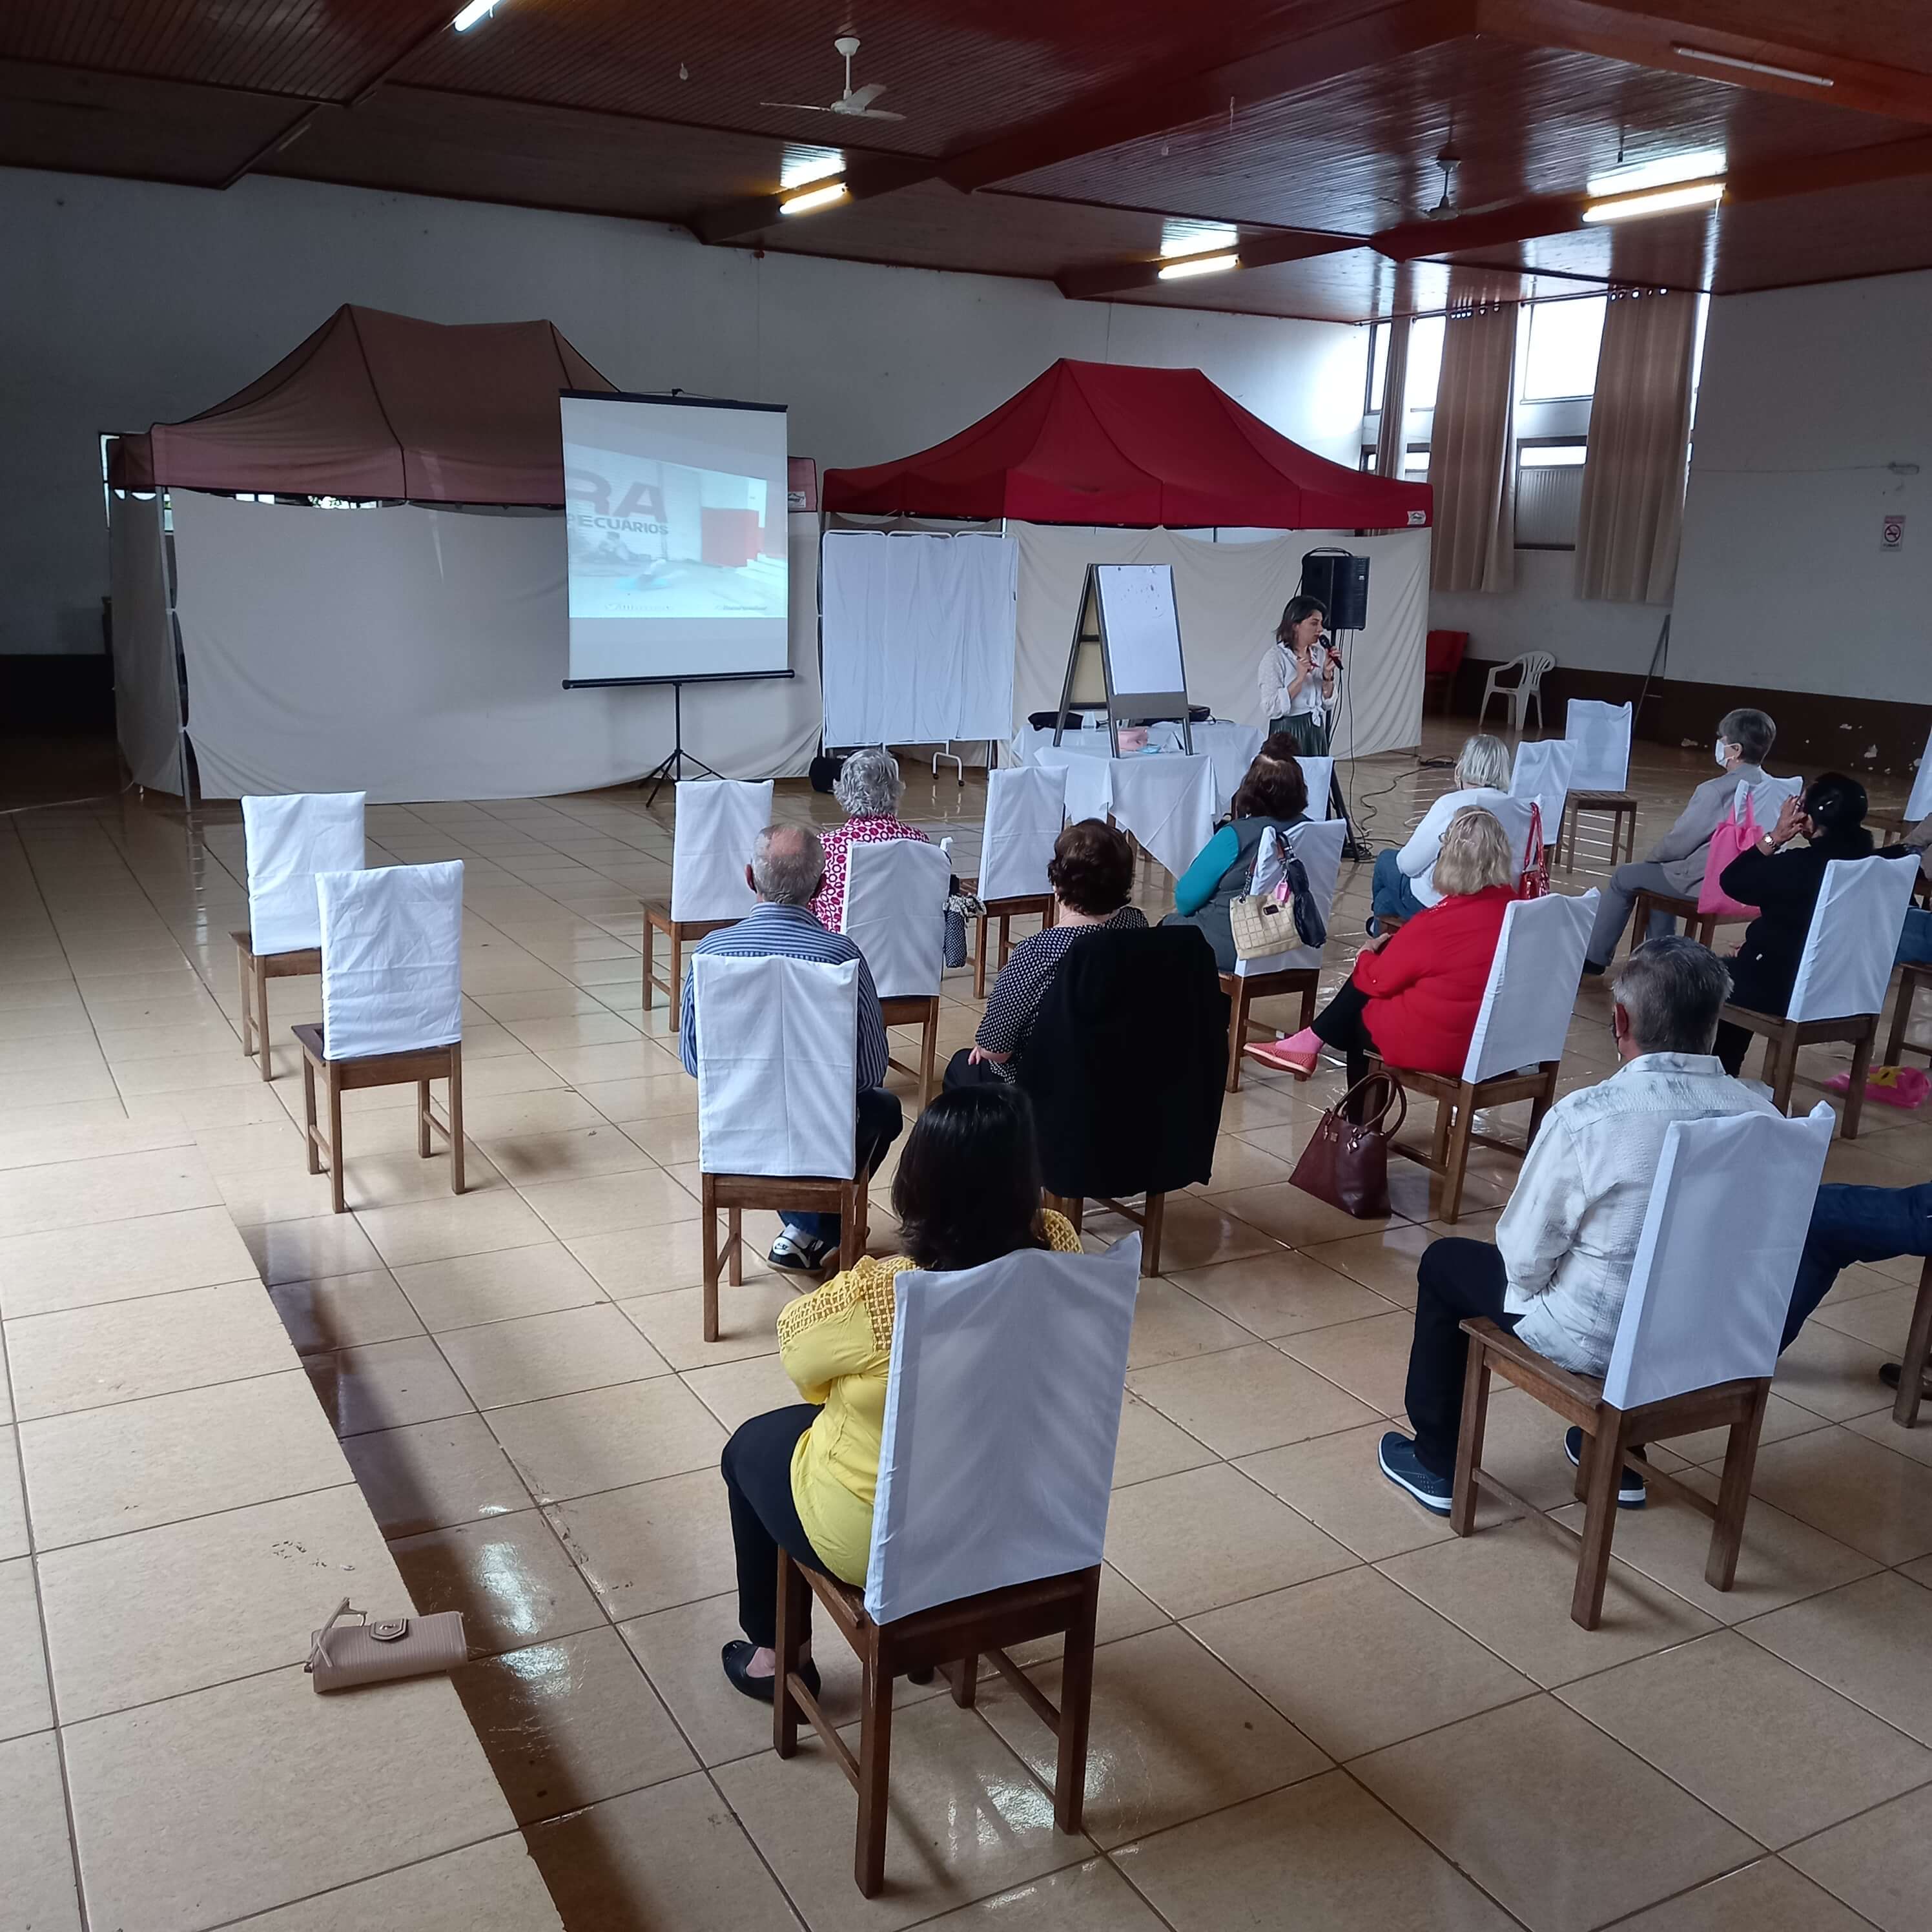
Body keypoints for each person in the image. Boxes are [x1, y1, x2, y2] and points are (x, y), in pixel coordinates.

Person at [1377, 936, 1780, 1516]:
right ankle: (1619, 1459)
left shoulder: (1594, 1118)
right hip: (1703, 1341)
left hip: (1596, 1340)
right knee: (1659, 1277)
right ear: (1714, 1022)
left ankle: (1438, 1460)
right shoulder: (1763, 1117)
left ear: (1621, 1020)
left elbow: (1521, 1259)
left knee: (1445, 1265)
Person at [717, 1086, 1082, 1701]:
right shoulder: (1062, 1250)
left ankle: (779, 1660)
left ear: (918, 1182)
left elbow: (798, 1358)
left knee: (749, 1450)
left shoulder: (885, 1294)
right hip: (1019, 1523)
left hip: (894, 1544)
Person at [679, 823, 901, 1273]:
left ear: (749, 877)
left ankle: (804, 1230)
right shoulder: (842, 956)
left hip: (737, 1135)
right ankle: (814, 1225)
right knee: (885, 1107)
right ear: (821, 886)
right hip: (821, 1137)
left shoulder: (710, 953)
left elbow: (694, 1059)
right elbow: (871, 1070)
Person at [1260, 805, 1517, 1097]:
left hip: (1452, 1047)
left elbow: (1377, 981)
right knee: (1391, 968)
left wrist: (1367, 955)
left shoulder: (1436, 924)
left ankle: (1358, 1130)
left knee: (1363, 1021)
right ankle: (1311, 1041)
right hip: (1498, 1044)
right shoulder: (1517, 911)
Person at [944, 819, 1146, 1089]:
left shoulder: (1038, 953)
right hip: (1118, 1077)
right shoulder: (1136, 925)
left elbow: (995, 1050)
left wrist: (984, 1050)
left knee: (962, 1067)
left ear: (1057, 884)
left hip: (1043, 1090)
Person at [1583, 708, 1779, 972]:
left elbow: (1679, 842)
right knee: (1655, 877)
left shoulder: (1715, 791)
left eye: (1722, 739)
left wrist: (1652, 857)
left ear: (1735, 749)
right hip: (1750, 885)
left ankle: (1595, 959)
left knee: (1627, 876)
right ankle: (1662, 960)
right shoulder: (1774, 787)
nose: (1718, 744)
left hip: (1706, 882)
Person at [1711, 772, 1875, 1077]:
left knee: (1708, 976)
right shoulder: (1877, 867)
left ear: (1808, 820)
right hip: (1846, 992)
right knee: (1750, 964)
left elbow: (1732, 881)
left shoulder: (1800, 866)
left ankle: (1719, 1076)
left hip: (1788, 990)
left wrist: (1776, 835)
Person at [1164, 747, 1310, 972]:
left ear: (1250, 788)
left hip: (1234, 944)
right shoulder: (1310, 830)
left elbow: (1185, 899)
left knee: (1164, 931)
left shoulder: (1235, 836)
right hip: (1293, 940)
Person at [1373, 734, 1515, 929]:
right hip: (1491, 904)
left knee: (1385, 862)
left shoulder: (1451, 805)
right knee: (1385, 898)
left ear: (1464, 764)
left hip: (1440, 902)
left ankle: (1380, 941)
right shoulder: (1518, 808)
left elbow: (1408, 865)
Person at [809, 745, 930, 931]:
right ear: (895, 789)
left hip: (842, 954)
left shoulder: (826, 848)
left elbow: (808, 911)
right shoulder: (919, 842)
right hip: (904, 952)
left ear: (844, 792)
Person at [1256, 594, 1337, 756]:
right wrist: (1299, 679)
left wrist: (1328, 676)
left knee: (1316, 778)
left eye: (1321, 624)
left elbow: (1327, 704)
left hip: (1315, 731)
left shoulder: (1319, 655)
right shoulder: (1275, 658)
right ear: (1295, 625)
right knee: (1291, 778)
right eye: (1314, 623)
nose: (1320, 630)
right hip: (1288, 733)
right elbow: (1271, 708)